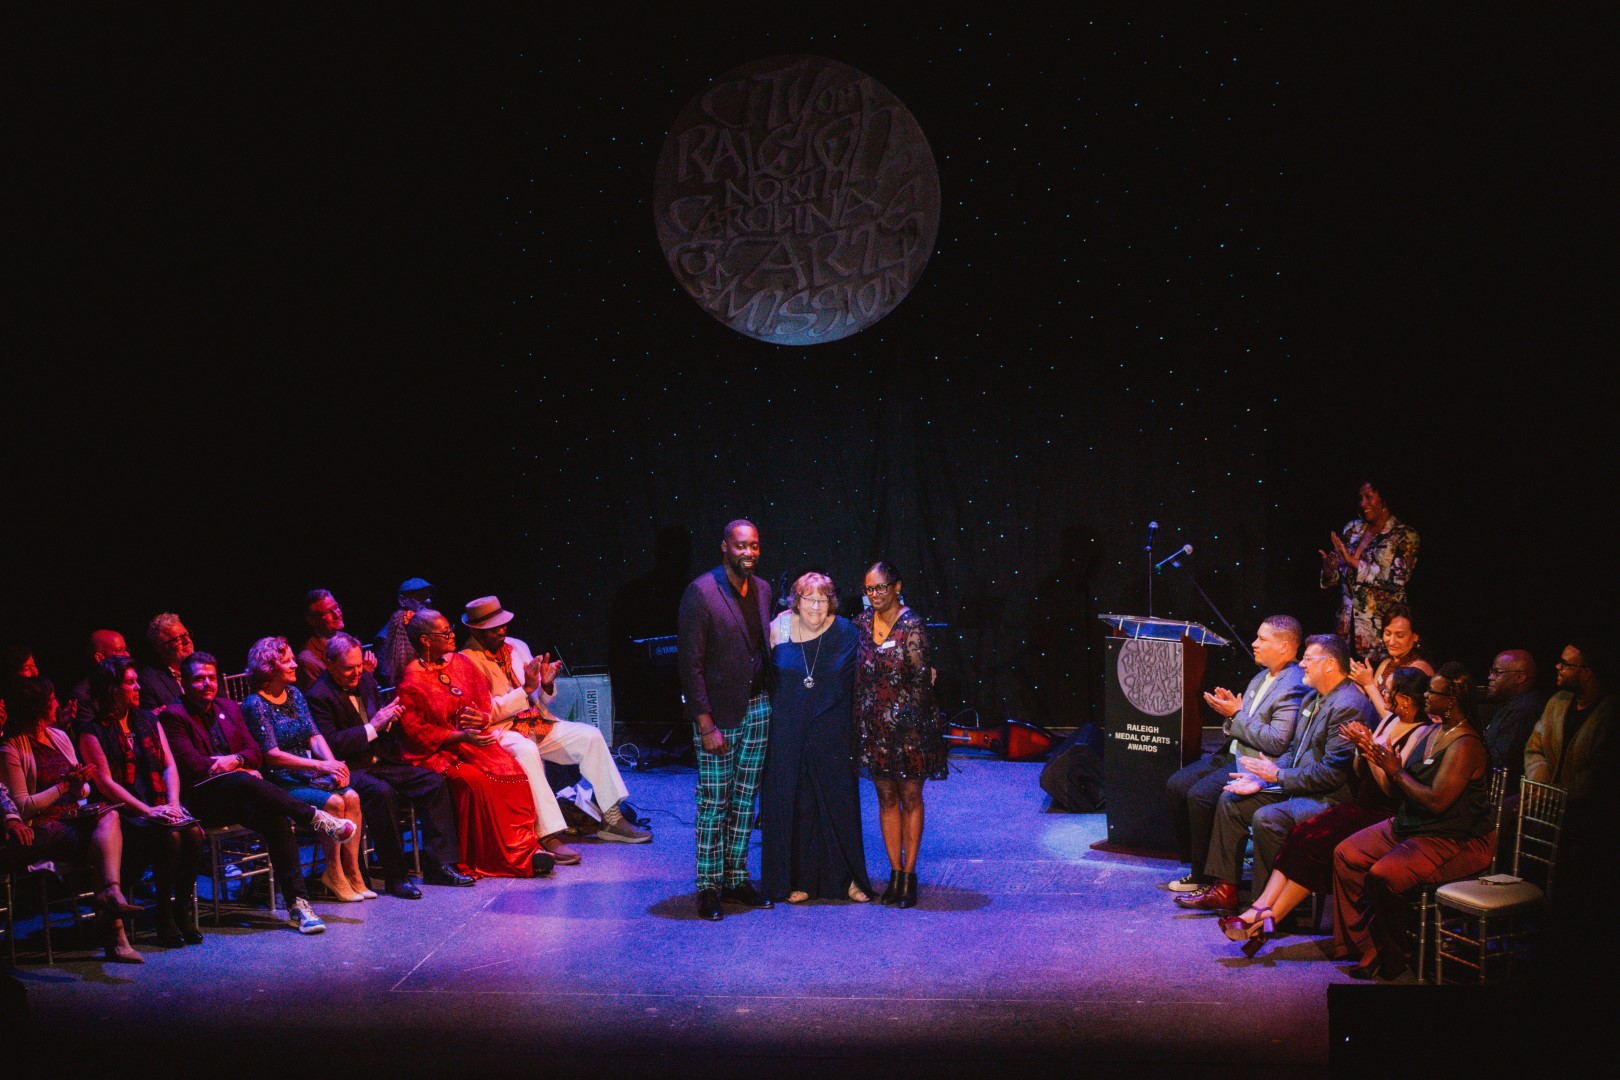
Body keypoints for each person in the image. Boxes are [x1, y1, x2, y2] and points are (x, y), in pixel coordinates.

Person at [1217, 666, 1438, 954]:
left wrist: (1371, 751)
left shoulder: (1422, 732)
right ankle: (1261, 908)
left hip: (1384, 813)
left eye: (1388, 688)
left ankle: (1269, 918)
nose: (1381, 691)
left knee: (1317, 845)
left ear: (1406, 699)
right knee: (1300, 836)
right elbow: (1360, 772)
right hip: (1361, 805)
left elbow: (1391, 789)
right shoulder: (1389, 721)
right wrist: (1362, 750)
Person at [159, 651, 357, 934]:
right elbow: (191, 766)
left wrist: (236, 761)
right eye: (199, 679)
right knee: (243, 781)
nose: (207, 684)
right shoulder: (173, 716)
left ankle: (298, 905)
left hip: (239, 794)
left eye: (211, 678)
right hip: (201, 800)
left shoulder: (228, 707)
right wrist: (238, 767)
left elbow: (255, 752)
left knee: (276, 818)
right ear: (185, 683)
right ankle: (314, 817)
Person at [1179, 634, 1369, 913]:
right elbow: (1294, 750)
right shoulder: (1312, 698)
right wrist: (1263, 776)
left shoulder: (1347, 704)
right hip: (1297, 783)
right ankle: (1226, 888)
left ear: (1329, 665)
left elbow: (1332, 774)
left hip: (1328, 798)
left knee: (1266, 818)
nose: (1302, 664)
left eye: (1308, 659)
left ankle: (1265, 908)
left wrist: (1277, 777)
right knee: (1232, 802)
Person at [1332, 666, 1496, 979]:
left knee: (1382, 876)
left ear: (1451, 700)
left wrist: (1394, 769)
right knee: (1346, 854)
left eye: (1432, 692)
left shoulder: (1465, 744)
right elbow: (1399, 789)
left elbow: (1437, 801)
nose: (1425, 696)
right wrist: (1376, 757)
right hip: (1415, 823)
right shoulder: (1436, 732)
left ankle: (1394, 953)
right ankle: (1367, 943)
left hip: (1452, 837)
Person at [459, 596, 651, 863]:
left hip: (536, 722)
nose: (502, 631)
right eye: (493, 628)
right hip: (503, 731)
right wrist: (525, 690)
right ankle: (547, 834)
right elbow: (483, 714)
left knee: (590, 736)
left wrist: (545, 686)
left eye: (503, 625)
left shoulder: (518, 647)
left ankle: (612, 819)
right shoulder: (465, 661)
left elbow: (537, 698)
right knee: (527, 751)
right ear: (475, 629)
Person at [305, 632, 475, 897]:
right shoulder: (317, 695)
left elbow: (381, 723)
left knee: (432, 781)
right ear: (329, 664)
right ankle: (396, 877)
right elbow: (332, 744)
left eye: (360, 665)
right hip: (349, 769)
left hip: (380, 760)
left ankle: (439, 864)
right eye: (349, 668)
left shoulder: (368, 681)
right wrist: (373, 727)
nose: (356, 673)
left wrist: (392, 721)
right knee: (382, 793)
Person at [393, 609, 549, 878]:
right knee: (477, 781)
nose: (452, 635)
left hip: (470, 741)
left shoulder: (460, 663)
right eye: (444, 633)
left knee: (512, 770)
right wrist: (459, 736)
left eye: (450, 629)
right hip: (437, 751)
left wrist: (478, 716)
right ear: (425, 640)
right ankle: (494, 856)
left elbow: (482, 699)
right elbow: (416, 733)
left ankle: (526, 847)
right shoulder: (411, 679)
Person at [2, 676, 144, 962]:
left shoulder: (59, 736)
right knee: (102, 849)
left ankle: (111, 894)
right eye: (51, 699)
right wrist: (65, 786)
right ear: (37, 708)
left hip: (72, 817)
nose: (57, 704)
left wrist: (80, 784)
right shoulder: (11, 749)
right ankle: (115, 933)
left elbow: (83, 792)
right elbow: (24, 806)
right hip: (44, 827)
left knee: (110, 814)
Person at [677, 519, 776, 921]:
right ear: (724, 547)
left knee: (744, 800)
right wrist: (704, 724)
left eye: (754, 545)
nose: (748, 553)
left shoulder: (765, 590)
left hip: (758, 709)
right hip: (718, 717)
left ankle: (735, 877)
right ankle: (708, 886)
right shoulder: (701, 592)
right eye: (740, 546)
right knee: (714, 803)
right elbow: (690, 665)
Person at [1165, 615, 1308, 894]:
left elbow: (1277, 742)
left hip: (1253, 759)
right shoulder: (1260, 677)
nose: (1254, 644)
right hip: (1233, 750)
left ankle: (1204, 875)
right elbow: (1239, 724)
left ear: (1284, 646)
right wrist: (1230, 715)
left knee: (1201, 796)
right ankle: (1198, 859)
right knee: (1176, 785)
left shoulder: (1293, 685)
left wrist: (1237, 715)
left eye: (1262, 639)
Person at [760, 572, 873, 904]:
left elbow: (873, 670)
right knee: (795, 804)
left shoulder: (848, 633)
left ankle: (848, 879)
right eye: (808, 598)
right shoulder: (778, 628)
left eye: (823, 599)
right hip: (787, 732)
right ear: (796, 600)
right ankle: (797, 880)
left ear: (831, 602)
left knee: (838, 805)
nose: (815, 606)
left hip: (832, 734)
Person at [77, 656, 206, 947]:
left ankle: (181, 909)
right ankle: (164, 914)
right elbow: (105, 783)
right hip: (124, 812)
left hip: (159, 803)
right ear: (112, 689)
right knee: (170, 837)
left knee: (194, 834)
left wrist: (172, 803)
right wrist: (147, 811)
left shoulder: (147, 719)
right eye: (130, 682)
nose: (138, 687)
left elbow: (169, 765)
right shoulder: (92, 731)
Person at [239, 636, 369, 902]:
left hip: (307, 773)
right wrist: (321, 765)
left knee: (352, 796)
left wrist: (334, 766)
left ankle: (353, 871)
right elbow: (271, 756)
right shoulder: (255, 704)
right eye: (287, 661)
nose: (295, 664)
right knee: (333, 803)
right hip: (280, 781)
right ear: (269, 668)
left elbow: (314, 735)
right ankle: (333, 872)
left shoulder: (295, 695)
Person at [855, 560, 944, 909]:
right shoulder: (860, 624)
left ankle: (909, 876)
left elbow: (922, 683)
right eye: (869, 588)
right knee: (886, 799)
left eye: (881, 587)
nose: (875, 594)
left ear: (896, 586)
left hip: (910, 729)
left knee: (910, 798)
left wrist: (912, 730)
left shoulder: (913, 625)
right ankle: (893, 874)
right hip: (875, 729)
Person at [1318, 481, 1420, 655]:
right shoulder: (1352, 529)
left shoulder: (1404, 536)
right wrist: (1329, 569)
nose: (1362, 503)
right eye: (1361, 498)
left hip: (1381, 633)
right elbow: (1336, 576)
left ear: (1384, 499)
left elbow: (1397, 580)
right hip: (1346, 630)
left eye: (1368, 497)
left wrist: (1354, 562)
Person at [1523, 637, 1615, 801]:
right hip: (1546, 803)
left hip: (1583, 811)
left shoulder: (1609, 714)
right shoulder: (1558, 702)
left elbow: (1598, 775)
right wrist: (1541, 785)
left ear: (1586, 674)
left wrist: (1554, 794)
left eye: (1565, 664)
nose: (1558, 667)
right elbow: (1534, 749)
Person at [1346, 608, 1433, 717]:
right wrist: (1361, 683)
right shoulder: (1386, 664)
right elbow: (1372, 702)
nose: (1391, 641)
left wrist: (1369, 685)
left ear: (1415, 637)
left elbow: (1393, 719)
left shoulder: (1418, 668)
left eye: (1400, 635)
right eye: (1387, 634)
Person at [1482, 649, 1543, 786]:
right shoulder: (1510, 704)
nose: (1490, 677)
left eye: (1497, 673)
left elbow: (1501, 761)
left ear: (1520, 677)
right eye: (1491, 672)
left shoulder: (1522, 709)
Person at [296, 589, 377, 690]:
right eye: (328, 612)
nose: (337, 614)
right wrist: (364, 674)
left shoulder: (346, 638)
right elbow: (325, 699)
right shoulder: (307, 660)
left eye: (336, 607)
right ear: (312, 620)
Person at [64, 629, 130, 730]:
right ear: (99, 657)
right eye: (120, 650)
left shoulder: (127, 684)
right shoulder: (83, 696)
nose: (127, 655)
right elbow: (94, 736)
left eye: (126, 650)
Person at [377, 577, 434, 687]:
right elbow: (390, 680)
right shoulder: (385, 638)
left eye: (429, 596)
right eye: (420, 596)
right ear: (402, 600)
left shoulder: (430, 626)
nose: (428, 601)